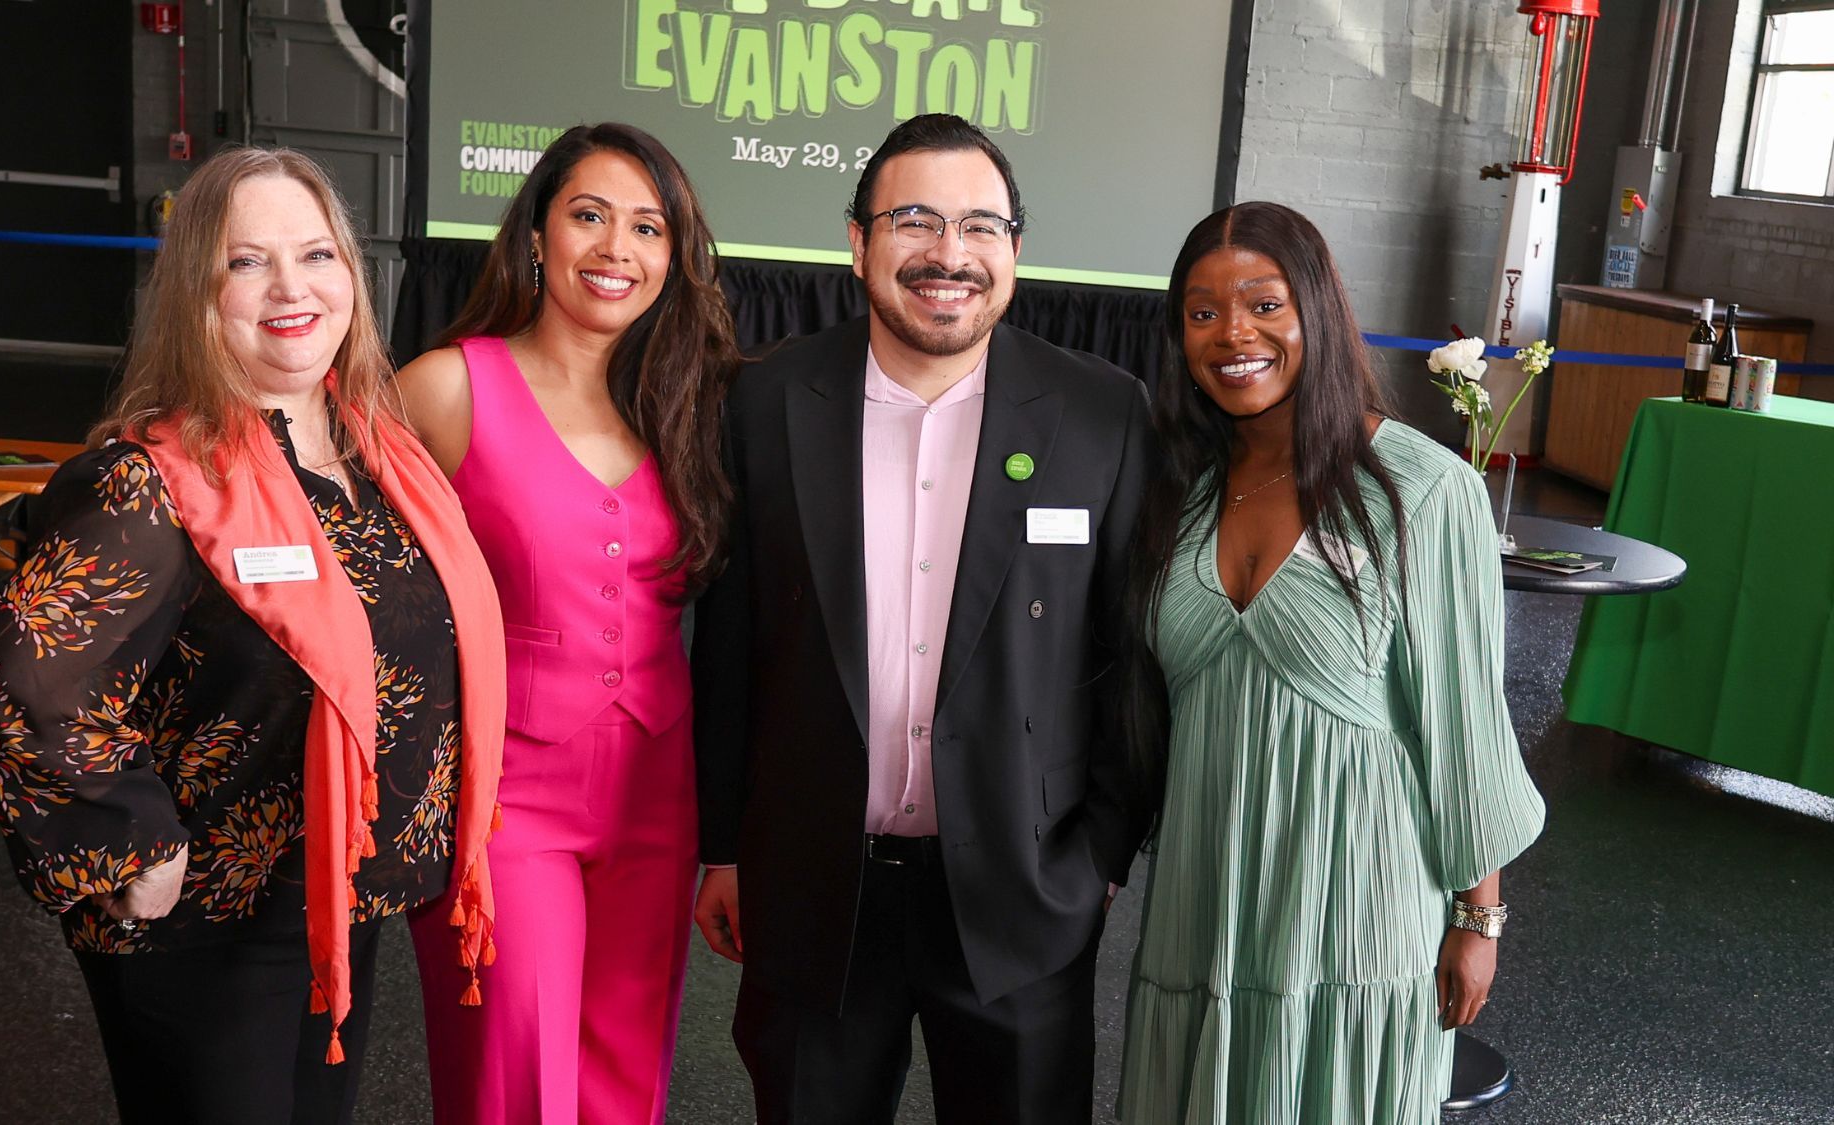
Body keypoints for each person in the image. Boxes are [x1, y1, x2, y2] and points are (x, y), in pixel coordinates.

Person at [0, 146, 508, 1124]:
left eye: (315, 254)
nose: (291, 288)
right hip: (206, 929)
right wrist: (132, 842)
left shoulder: (382, 459)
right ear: (195, 293)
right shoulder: (149, 482)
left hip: (333, 904)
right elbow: (22, 686)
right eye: (247, 261)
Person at [689, 113, 1157, 1124]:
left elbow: (1129, 651)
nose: (949, 253)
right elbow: (729, 641)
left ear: (1014, 250)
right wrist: (723, 845)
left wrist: (1100, 855)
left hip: (1023, 893)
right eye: (915, 221)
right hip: (814, 886)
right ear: (857, 242)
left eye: (981, 225)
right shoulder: (763, 400)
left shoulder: (1103, 412)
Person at [1117, 201, 1547, 1123]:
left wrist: (1478, 918)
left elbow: (1464, 721)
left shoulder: (1423, 488)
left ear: (1316, 307)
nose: (1234, 333)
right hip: (1204, 898)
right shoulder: (1179, 487)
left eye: (1264, 304)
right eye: (1202, 312)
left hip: (1355, 902)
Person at [396, 122, 738, 1125]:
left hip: (653, 796)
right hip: (503, 799)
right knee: (513, 1080)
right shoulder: (447, 387)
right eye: (589, 216)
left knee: (624, 1080)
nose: (615, 248)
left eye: (647, 228)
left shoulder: (692, 406)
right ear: (538, 235)